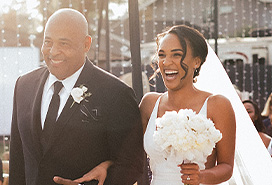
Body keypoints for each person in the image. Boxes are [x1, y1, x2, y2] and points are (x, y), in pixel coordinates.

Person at [9, 8, 144, 185]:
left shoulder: (116, 94)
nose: (53, 51)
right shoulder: (24, 85)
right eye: (48, 42)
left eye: (64, 44)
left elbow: (131, 163)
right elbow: (17, 158)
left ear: (86, 44)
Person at [139, 25, 236, 185]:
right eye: (161, 55)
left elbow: (226, 167)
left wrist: (202, 176)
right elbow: (130, 158)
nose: (166, 62)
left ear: (196, 62)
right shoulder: (149, 104)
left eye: (176, 55)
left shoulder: (217, 105)